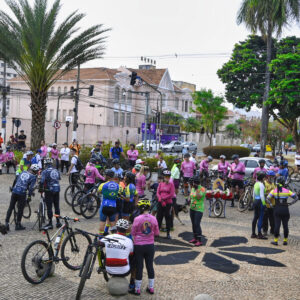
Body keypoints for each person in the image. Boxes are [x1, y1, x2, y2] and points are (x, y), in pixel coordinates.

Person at [131, 199, 159, 295]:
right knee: (150, 266)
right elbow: (157, 233)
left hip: (139, 246)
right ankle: (151, 288)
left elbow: (133, 233)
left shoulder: (137, 219)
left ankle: (137, 289)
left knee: (139, 267)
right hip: (150, 245)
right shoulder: (154, 218)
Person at [5, 164, 39, 231]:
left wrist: (13, 187)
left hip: (15, 191)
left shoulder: (23, 172)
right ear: (35, 171)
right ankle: (18, 224)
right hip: (22, 193)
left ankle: (7, 223)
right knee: (20, 209)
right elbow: (31, 188)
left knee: (11, 207)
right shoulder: (33, 177)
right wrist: (29, 196)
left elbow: (16, 179)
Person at [267, 176, 298, 246]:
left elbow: (267, 198)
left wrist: (271, 205)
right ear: (284, 183)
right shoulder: (287, 191)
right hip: (285, 209)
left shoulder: (274, 191)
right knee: (285, 226)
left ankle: (275, 241)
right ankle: (285, 241)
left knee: (277, 225)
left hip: (277, 209)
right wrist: (290, 203)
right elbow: (296, 197)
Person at [98, 169, 122, 236]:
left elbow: (99, 191)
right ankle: (114, 238)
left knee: (102, 222)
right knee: (112, 223)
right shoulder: (118, 185)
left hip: (104, 205)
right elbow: (120, 192)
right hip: (113, 206)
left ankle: (100, 239)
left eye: (105, 175)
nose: (104, 176)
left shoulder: (103, 184)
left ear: (108, 176)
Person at [39, 158, 61, 229]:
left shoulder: (44, 171)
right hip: (57, 189)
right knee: (57, 206)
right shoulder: (56, 170)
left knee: (49, 207)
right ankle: (58, 222)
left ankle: (50, 223)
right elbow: (59, 178)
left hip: (49, 190)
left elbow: (42, 181)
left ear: (45, 164)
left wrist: (40, 188)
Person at [156, 170, 175, 239]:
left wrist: (163, 198)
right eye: (166, 176)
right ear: (163, 177)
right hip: (160, 202)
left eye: (168, 177)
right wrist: (160, 198)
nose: (167, 178)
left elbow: (171, 194)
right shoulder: (160, 184)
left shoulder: (171, 184)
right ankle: (157, 232)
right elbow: (158, 192)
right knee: (159, 217)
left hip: (168, 203)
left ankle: (168, 233)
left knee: (167, 217)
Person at [189, 176, 206, 246]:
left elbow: (199, 197)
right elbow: (191, 196)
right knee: (193, 223)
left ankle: (199, 240)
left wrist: (196, 189)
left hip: (199, 209)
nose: (191, 185)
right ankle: (195, 238)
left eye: (192, 183)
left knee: (197, 224)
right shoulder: (192, 188)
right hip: (192, 208)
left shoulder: (202, 189)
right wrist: (188, 200)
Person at [251, 172, 267, 239]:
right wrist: (264, 204)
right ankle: (259, 234)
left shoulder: (256, 184)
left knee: (255, 217)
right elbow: (262, 195)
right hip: (260, 202)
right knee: (260, 217)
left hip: (255, 201)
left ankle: (253, 233)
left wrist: (253, 202)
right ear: (263, 178)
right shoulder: (261, 185)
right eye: (264, 178)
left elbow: (253, 194)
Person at [262, 170, 276, 235]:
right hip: (265, 204)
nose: (272, 178)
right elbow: (262, 193)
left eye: (273, 177)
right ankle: (265, 230)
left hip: (273, 205)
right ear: (268, 177)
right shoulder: (264, 184)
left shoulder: (274, 184)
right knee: (265, 219)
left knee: (272, 219)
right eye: (271, 176)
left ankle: (272, 230)